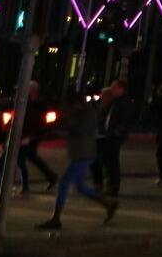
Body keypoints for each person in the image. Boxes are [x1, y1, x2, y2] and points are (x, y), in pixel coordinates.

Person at [36, 86, 117, 229]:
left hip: (84, 154)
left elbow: (81, 131)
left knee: (64, 183)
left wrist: (69, 119)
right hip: (80, 153)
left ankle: (56, 218)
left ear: (75, 102)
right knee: (80, 186)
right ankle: (108, 203)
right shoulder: (80, 112)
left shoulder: (87, 113)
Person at [0, 82, 58, 194]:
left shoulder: (36, 105)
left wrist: (30, 137)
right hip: (20, 137)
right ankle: (46, 178)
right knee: (24, 160)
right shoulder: (24, 103)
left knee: (15, 160)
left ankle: (1, 186)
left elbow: (40, 124)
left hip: (25, 138)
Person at [93, 79, 136, 199]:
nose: (112, 89)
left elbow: (127, 119)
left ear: (121, 89)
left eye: (114, 87)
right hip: (110, 134)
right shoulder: (116, 101)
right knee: (108, 160)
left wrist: (118, 131)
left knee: (111, 161)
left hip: (114, 136)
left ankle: (112, 187)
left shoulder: (125, 102)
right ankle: (110, 186)